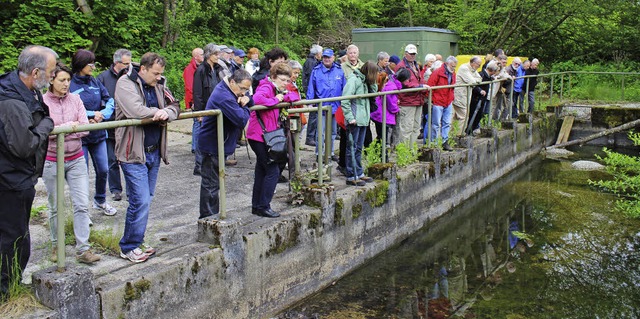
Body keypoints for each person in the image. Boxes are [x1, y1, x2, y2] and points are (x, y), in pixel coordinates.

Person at [0, 45, 56, 298]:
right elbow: (24, 145)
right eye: (51, 72)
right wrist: (47, 125)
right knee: (14, 236)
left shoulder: (27, 91)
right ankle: (6, 290)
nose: (53, 77)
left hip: (17, 175)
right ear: (35, 72)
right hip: (11, 179)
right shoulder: (12, 101)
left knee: (16, 233)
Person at [114, 52, 180, 263]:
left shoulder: (159, 84)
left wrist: (166, 113)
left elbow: (175, 104)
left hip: (153, 152)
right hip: (133, 153)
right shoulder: (125, 83)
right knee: (139, 200)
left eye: (161, 74)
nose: (159, 78)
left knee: (147, 199)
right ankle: (129, 246)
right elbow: (135, 110)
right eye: (155, 73)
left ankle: (138, 240)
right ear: (143, 69)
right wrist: (158, 112)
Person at [43, 63, 100, 264]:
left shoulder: (75, 99)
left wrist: (61, 129)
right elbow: (44, 132)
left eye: (68, 80)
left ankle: (83, 249)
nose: (66, 84)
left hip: (76, 158)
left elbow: (84, 128)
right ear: (51, 80)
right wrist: (68, 126)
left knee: (82, 204)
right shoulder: (42, 102)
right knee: (55, 206)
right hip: (51, 160)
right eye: (62, 80)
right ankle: (56, 246)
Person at [248, 62, 299, 218]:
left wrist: (282, 96)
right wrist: (276, 100)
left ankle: (257, 205)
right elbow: (256, 99)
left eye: (287, 80)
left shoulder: (277, 89)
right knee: (272, 170)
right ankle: (263, 205)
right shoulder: (266, 87)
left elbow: (295, 96)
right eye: (283, 80)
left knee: (262, 170)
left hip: (266, 135)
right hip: (260, 135)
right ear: (274, 77)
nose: (286, 83)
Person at [198, 70, 251, 219]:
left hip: (219, 143)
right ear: (233, 82)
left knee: (214, 184)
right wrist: (245, 107)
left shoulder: (229, 90)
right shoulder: (224, 96)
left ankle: (211, 216)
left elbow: (249, 100)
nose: (243, 93)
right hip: (212, 145)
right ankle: (209, 218)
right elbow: (241, 119)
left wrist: (247, 99)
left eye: (246, 90)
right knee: (211, 185)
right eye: (242, 89)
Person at [70, 49, 117, 216]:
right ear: (81, 64)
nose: (93, 67)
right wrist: (90, 115)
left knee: (103, 169)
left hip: (97, 134)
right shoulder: (69, 83)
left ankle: (100, 200)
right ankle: (82, 210)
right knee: (82, 173)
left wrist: (103, 114)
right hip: (79, 137)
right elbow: (69, 107)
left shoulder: (95, 81)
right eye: (90, 64)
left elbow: (109, 99)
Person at [98, 48, 132, 202]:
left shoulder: (131, 76)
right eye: (125, 64)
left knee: (129, 160)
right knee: (111, 160)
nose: (128, 66)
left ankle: (132, 189)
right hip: (110, 125)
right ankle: (116, 189)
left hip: (127, 125)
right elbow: (99, 102)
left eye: (129, 63)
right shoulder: (103, 78)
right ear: (116, 63)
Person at [341, 61, 377, 186]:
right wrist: (350, 117)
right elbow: (345, 100)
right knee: (352, 148)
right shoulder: (354, 80)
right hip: (355, 120)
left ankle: (359, 172)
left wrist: (372, 83)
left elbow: (374, 93)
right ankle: (351, 175)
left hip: (363, 120)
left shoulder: (365, 82)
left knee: (359, 148)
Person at [306, 49, 346, 159]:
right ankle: (319, 153)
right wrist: (310, 102)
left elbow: (344, 87)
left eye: (328, 57)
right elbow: (311, 87)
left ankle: (330, 152)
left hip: (336, 106)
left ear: (333, 58)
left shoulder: (339, 70)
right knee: (321, 131)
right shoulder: (316, 71)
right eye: (324, 57)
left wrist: (345, 102)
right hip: (322, 106)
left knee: (333, 132)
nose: (326, 59)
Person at [192, 44, 225, 174]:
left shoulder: (217, 69)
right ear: (209, 55)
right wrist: (200, 113)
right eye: (216, 54)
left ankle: (212, 164)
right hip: (205, 108)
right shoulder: (201, 70)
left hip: (216, 107)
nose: (218, 56)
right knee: (203, 137)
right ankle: (199, 166)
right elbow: (198, 93)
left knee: (215, 137)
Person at [371, 68, 411, 148]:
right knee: (383, 137)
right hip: (382, 114)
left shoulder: (391, 84)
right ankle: (382, 155)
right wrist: (397, 109)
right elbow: (391, 104)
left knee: (381, 136)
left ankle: (376, 152)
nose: (408, 82)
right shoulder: (392, 88)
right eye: (407, 79)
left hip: (379, 113)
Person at [395, 44, 425, 147]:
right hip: (407, 101)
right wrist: (420, 86)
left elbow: (420, 79)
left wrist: (423, 87)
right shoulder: (401, 66)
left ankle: (411, 150)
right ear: (405, 54)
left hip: (418, 100)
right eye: (410, 54)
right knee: (406, 128)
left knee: (416, 127)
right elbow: (403, 83)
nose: (412, 56)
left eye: (414, 54)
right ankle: (403, 153)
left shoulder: (416, 65)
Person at [427, 56, 457, 151]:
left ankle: (444, 142)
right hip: (438, 101)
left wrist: (451, 98)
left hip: (447, 101)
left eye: (455, 66)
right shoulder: (437, 73)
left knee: (446, 122)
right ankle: (435, 143)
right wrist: (433, 100)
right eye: (452, 66)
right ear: (447, 64)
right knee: (436, 124)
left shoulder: (452, 73)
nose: (454, 68)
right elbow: (430, 87)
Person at [468, 61, 499, 136]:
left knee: (479, 114)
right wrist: (480, 91)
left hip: (482, 99)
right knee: (474, 114)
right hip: (477, 98)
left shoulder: (488, 76)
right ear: (492, 71)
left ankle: (472, 130)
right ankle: (469, 130)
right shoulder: (481, 75)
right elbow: (474, 85)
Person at [452, 56, 482, 130]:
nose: (479, 67)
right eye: (478, 64)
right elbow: (472, 82)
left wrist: (474, 80)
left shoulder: (472, 69)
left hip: (466, 95)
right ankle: (459, 134)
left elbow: (480, 79)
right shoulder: (464, 68)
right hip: (460, 95)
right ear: (473, 63)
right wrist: (474, 80)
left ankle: (453, 133)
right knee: (463, 115)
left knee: (456, 116)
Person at [303, 44, 323, 146]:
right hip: (312, 92)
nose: (322, 55)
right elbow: (311, 79)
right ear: (317, 53)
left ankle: (313, 136)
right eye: (321, 53)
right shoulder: (311, 62)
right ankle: (310, 137)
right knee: (313, 115)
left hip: (314, 92)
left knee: (315, 115)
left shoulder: (314, 61)